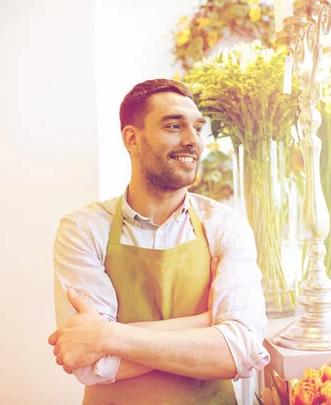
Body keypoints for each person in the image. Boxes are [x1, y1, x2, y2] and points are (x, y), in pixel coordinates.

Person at [47, 78, 269, 405]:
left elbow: (240, 351)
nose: (192, 140)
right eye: (174, 126)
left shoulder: (225, 226)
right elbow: (91, 361)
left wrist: (107, 336)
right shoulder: (82, 229)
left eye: (198, 127)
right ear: (132, 139)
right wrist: (208, 324)